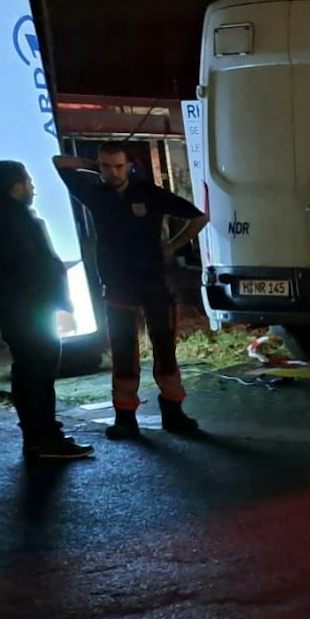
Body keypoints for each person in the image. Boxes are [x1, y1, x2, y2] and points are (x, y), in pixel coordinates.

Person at [54, 143, 208, 439]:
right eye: (107, 166)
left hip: (154, 283)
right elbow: (59, 161)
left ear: (130, 166)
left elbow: (199, 217)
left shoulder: (149, 193)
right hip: (117, 285)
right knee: (123, 353)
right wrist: (94, 166)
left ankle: (173, 412)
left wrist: (172, 246)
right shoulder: (95, 194)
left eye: (119, 166)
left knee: (165, 350)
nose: (113, 173)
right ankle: (125, 418)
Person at [0, 161, 92, 460]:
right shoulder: (13, 219)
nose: (33, 188)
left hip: (14, 310)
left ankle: (37, 435)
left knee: (27, 371)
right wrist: (62, 303)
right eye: (29, 181)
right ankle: (44, 438)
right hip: (31, 310)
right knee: (38, 372)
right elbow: (38, 267)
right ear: (16, 185)